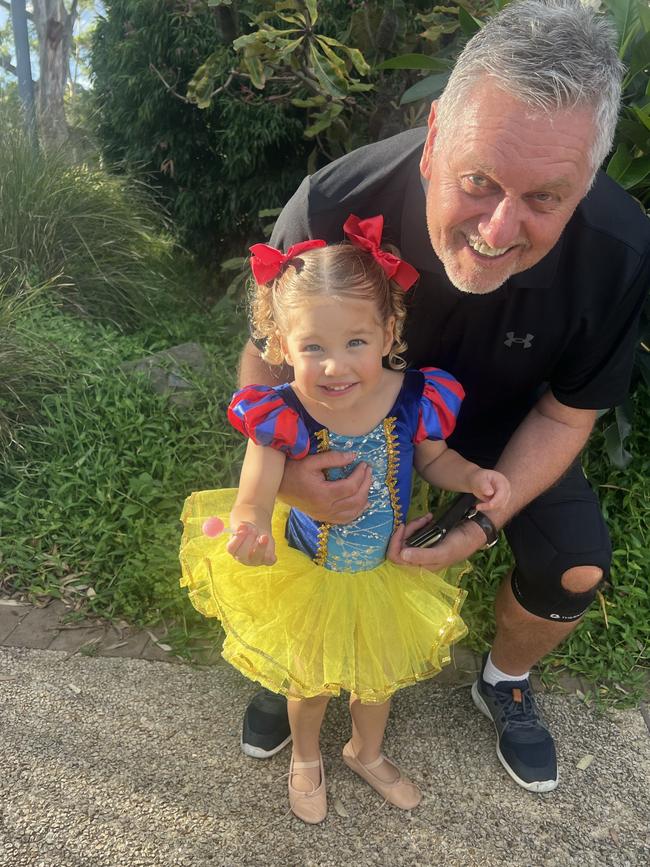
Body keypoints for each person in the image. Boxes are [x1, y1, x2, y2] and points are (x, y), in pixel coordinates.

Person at [236, 0, 650, 795]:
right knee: (306, 556)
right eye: (478, 180)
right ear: (433, 138)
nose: (498, 228)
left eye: (545, 199)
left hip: (498, 423)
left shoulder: (620, 251)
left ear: (588, 182)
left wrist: (485, 512)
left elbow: (569, 411)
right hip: (342, 411)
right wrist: (286, 480)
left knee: (575, 569)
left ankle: (503, 679)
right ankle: (299, 666)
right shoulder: (331, 203)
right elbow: (264, 363)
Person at [179, 218, 511, 823]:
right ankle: (306, 757)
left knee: (375, 680)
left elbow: (436, 460)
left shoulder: (416, 396)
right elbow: (255, 489)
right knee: (306, 683)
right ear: (280, 345)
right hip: (311, 574)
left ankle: (365, 750)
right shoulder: (281, 412)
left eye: (355, 342)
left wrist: (472, 478)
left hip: (385, 571)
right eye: (313, 348)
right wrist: (249, 526)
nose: (335, 367)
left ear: (389, 331)